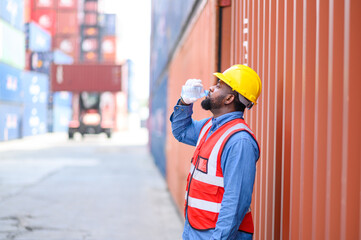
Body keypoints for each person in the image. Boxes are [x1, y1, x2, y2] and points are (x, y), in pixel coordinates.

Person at [170, 64, 262, 240]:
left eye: (219, 85)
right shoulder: (209, 126)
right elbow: (180, 131)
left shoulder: (239, 142)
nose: (211, 88)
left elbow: (235, 203)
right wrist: (185, 101)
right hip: (195, 228)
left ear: (229, 99)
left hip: (216, 235)